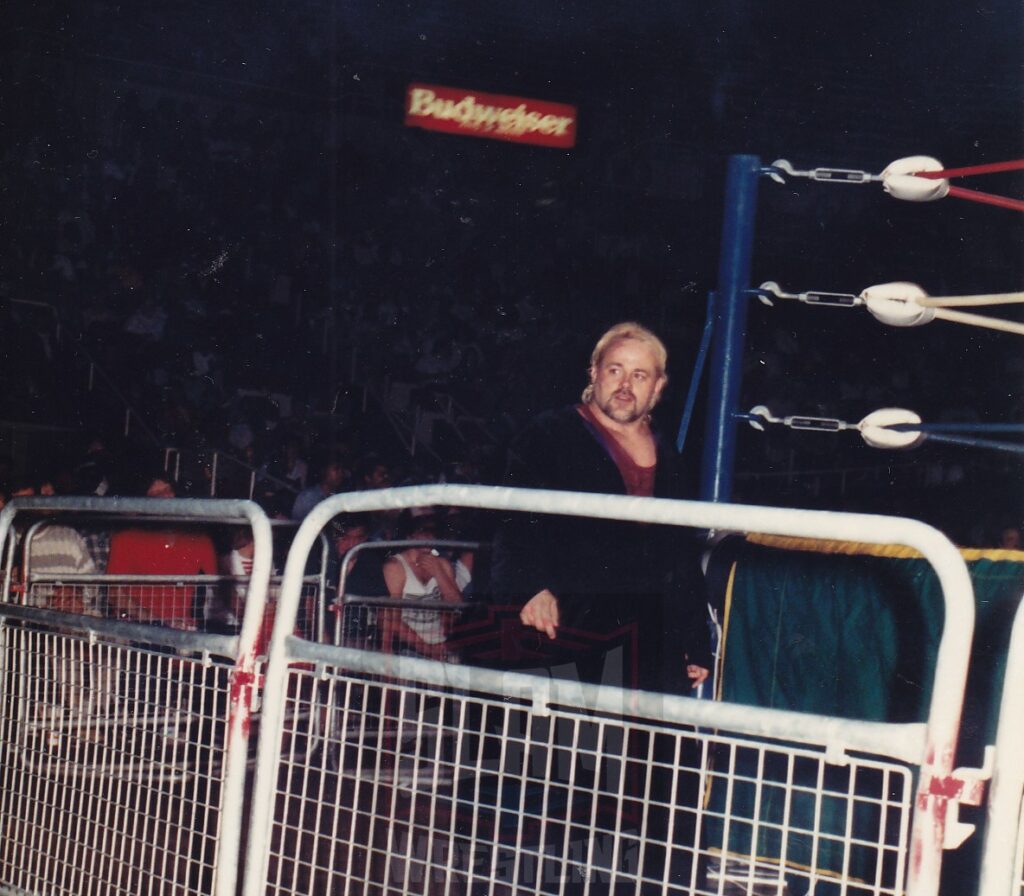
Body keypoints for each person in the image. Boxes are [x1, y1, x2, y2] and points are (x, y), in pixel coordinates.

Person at [491, 320, 712, 694]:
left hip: (651, 638)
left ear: (658, 387)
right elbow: (515, 521)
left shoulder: (669, 453)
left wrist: (694, 639)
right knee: (566, 745)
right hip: (570, 623)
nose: (626, 385)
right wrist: (529, 588)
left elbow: (680, 554)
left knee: (652, 748)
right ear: (594, 373)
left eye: (640, 375)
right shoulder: (549, 433)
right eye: (616, 370)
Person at [380, 509, 463, 661]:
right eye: (422, 531)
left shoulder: (442, 564)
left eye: (432, 532)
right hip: (408, 646)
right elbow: (392, 620)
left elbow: (457, 605)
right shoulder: (395, 566)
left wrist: (438, 572)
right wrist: (427, 649)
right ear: (410, 535)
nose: (427, 537)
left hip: (441, 644)